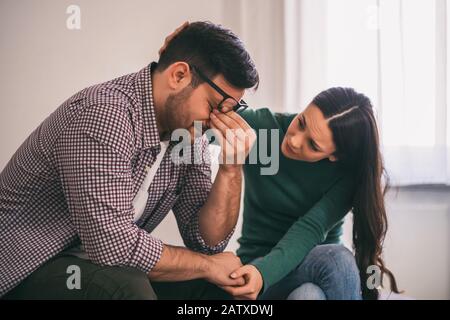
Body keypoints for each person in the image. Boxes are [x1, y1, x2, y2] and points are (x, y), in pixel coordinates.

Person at [0, 21, 259, 299]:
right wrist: (208, 266)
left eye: (230, 110)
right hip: (27, 269)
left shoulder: (187, 136)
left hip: (99, 265)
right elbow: (111, 245)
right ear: (179, 75)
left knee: (223, 288)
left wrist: (231, 168)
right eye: (214, 106)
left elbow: (206, 242)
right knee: (126, 286)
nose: (217, 120)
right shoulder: (105, 115)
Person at [160, 23, 401, 300]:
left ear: (334, 156)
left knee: (310, 293)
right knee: (330, 268)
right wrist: (172, 67)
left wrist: (263, 274)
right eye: (301, 122)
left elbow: (309, 229)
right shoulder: (264, 131)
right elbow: (188, 123)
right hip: (255, 274)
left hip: (302, 268)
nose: (294, 140)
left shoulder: (345, 176)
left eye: (312, 144)